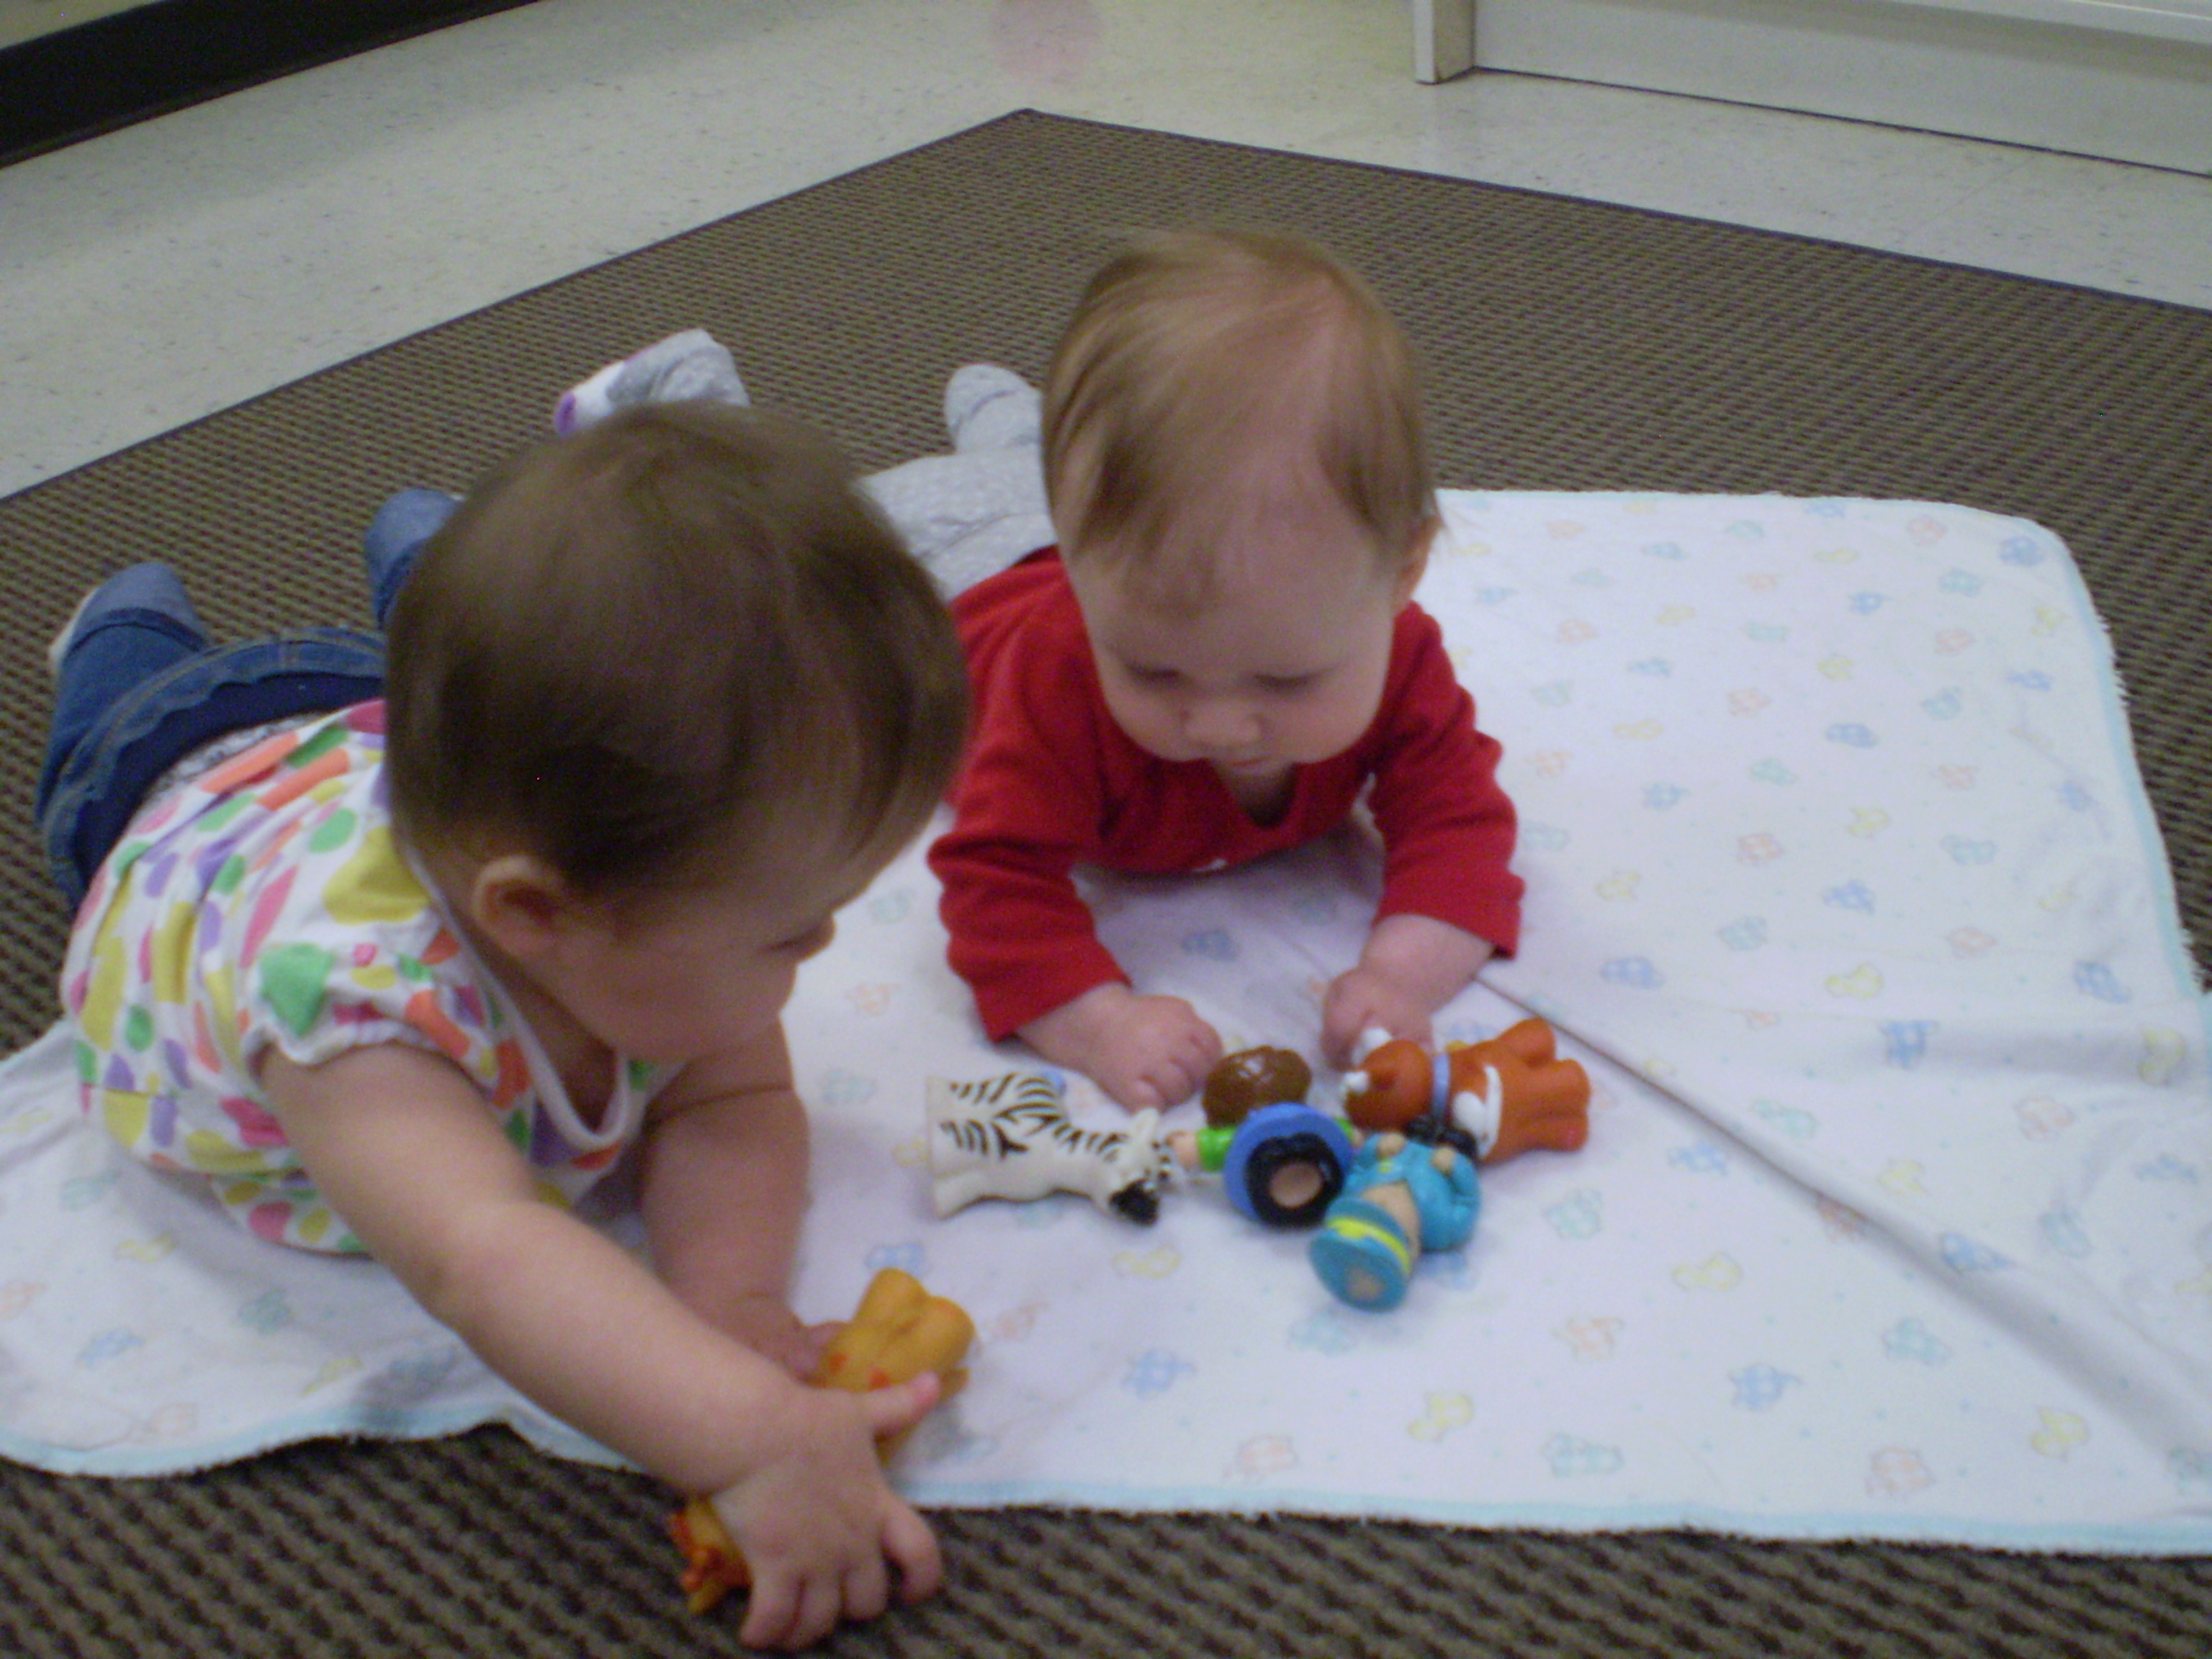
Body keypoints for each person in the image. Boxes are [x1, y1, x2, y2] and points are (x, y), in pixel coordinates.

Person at [41, 400, 971, 1650]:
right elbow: (485, 1252)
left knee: (524, 658)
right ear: (537, 914)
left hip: (391, 718)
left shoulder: (622, 910)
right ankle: (126, 615)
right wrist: (744, 1436)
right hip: (178, 770)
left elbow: (733, 1103)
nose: (819, 954)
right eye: (791, 931)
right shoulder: (354, 1022)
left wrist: (728, 1302)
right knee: (130, 700)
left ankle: (430, 555)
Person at [925, 228, 1524, 1110]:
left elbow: (1461, 822)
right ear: (1085, 582)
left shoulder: (1400, 657)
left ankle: (1011, 427)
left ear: (1400, 575)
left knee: (1014, 468)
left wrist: (1401, 976)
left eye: (1283, 681)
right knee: (798, 556)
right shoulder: (1052, 682)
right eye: (1152, 672)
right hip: (950, 574)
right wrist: (1099, 1024)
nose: (1216, 725)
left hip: (1047, 525)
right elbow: (995, 881)